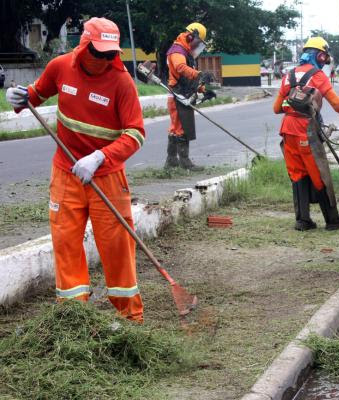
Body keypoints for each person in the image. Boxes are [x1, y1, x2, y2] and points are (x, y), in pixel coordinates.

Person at [5, 17, 145, 321]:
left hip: (106, 176)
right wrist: (20, 97)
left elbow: (136, 134)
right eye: (98, 52)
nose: (104, 60)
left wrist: (99, 158)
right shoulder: (60, 67)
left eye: (110, 54)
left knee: (117, 247)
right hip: (65, 174)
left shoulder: (122, 82)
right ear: (83, 45)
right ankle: (73, 316)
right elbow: (35, 94)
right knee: (66, 243)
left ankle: (130, 318)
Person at [273, 37, 339, 231]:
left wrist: (295, 103)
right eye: (324, 57)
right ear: (319, 56)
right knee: (320, 174)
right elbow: (337, 105)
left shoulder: (289, 75)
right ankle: (333, 220)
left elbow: (277, 108)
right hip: (306, 131)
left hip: (287, 130)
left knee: (297, 175)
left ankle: (303, 221)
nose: (324, 61)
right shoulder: (318, 76)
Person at [165, 22, 215, 170]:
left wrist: (202, 90)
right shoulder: (177, 50)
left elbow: (189, 78)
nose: (197, 46)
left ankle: (171, 161)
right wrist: (199, 74)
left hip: (182, 94)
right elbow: (181, 68)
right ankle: (184, 162)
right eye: (198, 42)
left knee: (176, 128)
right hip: (177, 95)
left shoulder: (185, 52)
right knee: (180, 128)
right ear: (191, 36)